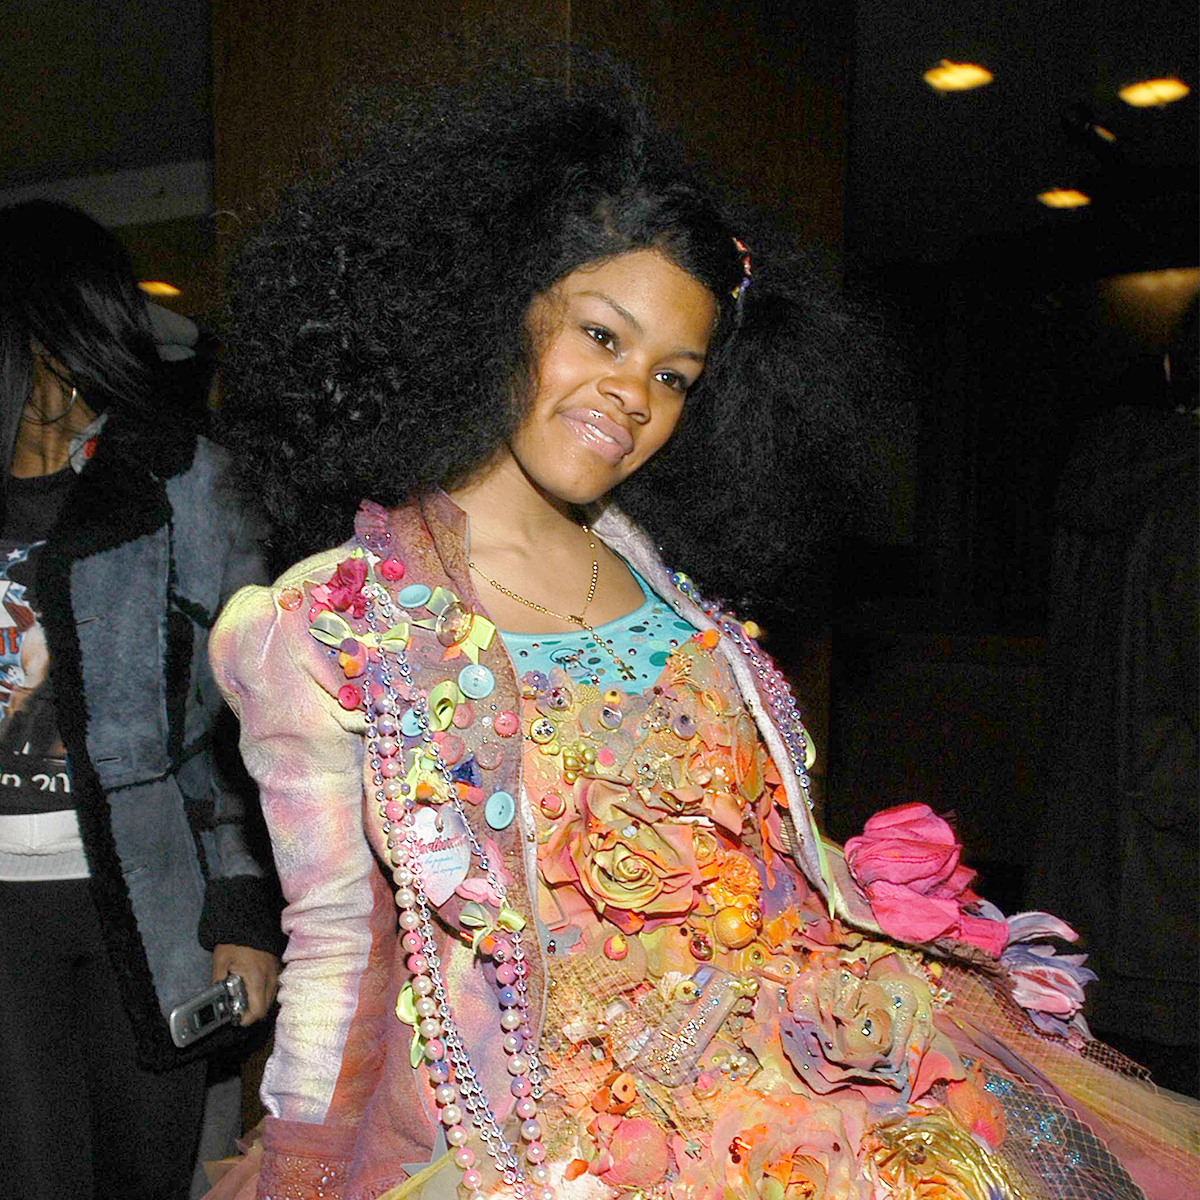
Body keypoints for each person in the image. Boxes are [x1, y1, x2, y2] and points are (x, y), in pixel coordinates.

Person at [207, 78, 1198, 1200]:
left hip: (815, 1090)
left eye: (672, 377)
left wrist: (879, 911)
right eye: (601, 335)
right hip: (562, 1146)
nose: (631, 394)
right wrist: (301, 1166)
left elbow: (764, 861)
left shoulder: (669, 587)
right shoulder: (330, 623)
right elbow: (336, 944)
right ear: (494, 307)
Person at [0, 199, 283, 1200]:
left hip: (150, 898)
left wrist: (245, 910)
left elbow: (253, 723)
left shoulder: (186, 484)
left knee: (146, 1178)